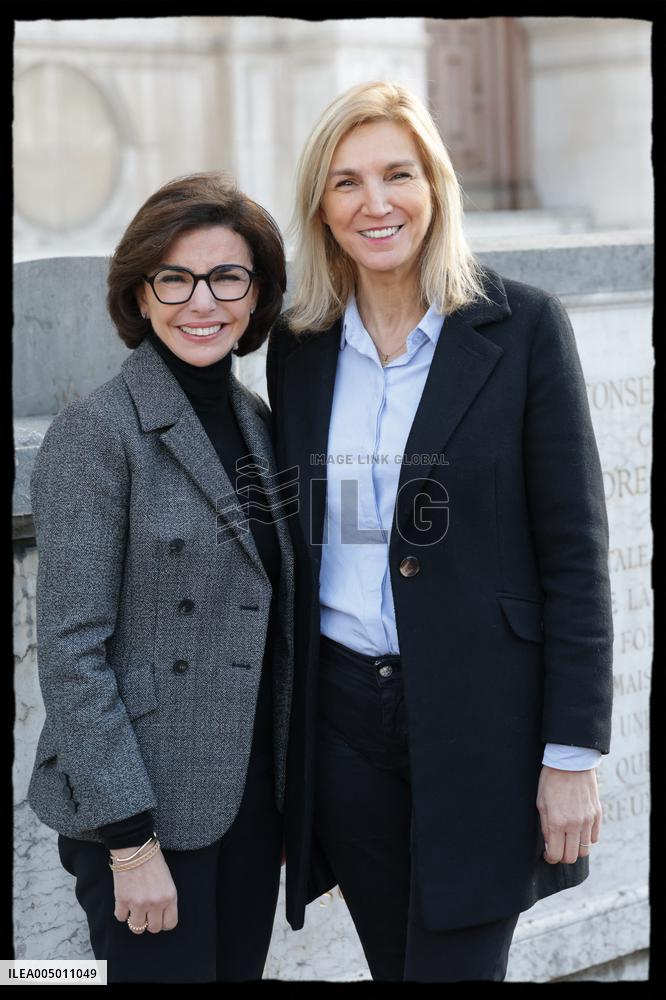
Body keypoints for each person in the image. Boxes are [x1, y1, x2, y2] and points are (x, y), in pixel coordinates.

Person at [267, 81, 613, 982]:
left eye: (397, 175)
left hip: (482, 729)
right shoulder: (300, 347)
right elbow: (335, 532)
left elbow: (575, 553)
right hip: (344, 728)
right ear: (320, 206)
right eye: (346, 182)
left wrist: (571, 753)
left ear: (436, 187)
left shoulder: (523, 327)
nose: (374, 204)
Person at [27, 172, 293, 983]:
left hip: (251, 805)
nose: (201, 301)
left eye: (227, 277)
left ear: (256, 297)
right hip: (144, 817)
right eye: (174, 278)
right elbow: (72, 652)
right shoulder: (96, 435)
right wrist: (130, 843)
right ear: (140, 294)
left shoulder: (264, 426)